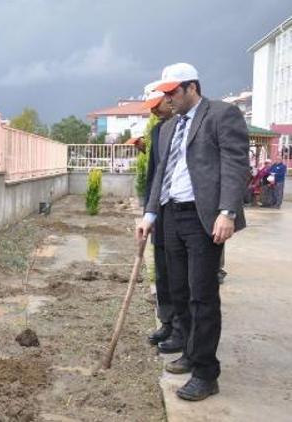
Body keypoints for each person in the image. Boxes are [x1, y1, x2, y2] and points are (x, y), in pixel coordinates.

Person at [137, 63, 249, 401]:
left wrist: (227, 211)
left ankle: (205, 372)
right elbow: (161, 175)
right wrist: (150, 213)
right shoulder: (170, 127)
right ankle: (188, 349)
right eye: (165, 93)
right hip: (172, 217)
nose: (167, 98)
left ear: (191, 87)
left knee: (202, 296)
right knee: (179, 290)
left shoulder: (221, 115)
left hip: (203, 220)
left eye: (172, 92)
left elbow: (235, 163)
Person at [141, 84, 182, 353]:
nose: (155, 111)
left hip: (183, 208)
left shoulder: (186, 127)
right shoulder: (158, 131)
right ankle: (167, 321)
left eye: (159, 104)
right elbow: (154, 174)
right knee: (163, 268)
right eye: (152, 107)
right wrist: (149, 211)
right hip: (161, 209)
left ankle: (181, 328)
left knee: (180, 273)